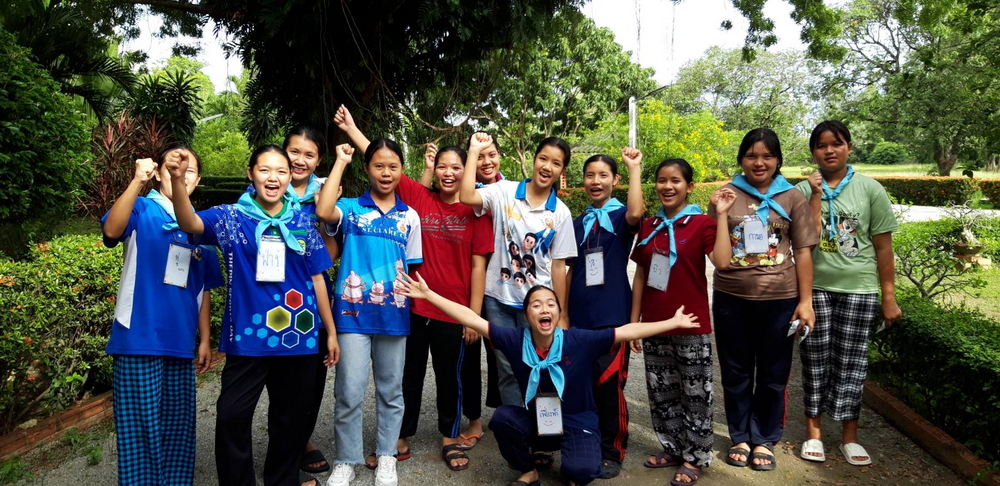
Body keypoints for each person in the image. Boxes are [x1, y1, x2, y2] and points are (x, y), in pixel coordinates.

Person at [396, 273, 699, 485]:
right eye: (536, 304)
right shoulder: (515, 339)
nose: (544, 309)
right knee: (502, 418)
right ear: (527, 314)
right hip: (539, 420)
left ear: (558, 312)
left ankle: (574, 458)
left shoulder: (577, 340)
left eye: (550, 304)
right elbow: (471, 318)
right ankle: (529, 470)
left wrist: (672, 322)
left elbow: (625, 332)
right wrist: (429, 295)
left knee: (580, 472)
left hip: (579, 420)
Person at [168, 145, 341, 486]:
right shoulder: (230, 217)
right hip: (247, 340)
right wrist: (177, 180)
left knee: (290, 419)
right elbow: (189, 221)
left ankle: (282, 480)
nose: (272, 178)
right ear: (251, 174)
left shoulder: (303, 221)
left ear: (290, 177)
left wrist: (331, 332)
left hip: (299, 336)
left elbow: (318, 278)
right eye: (264, 170)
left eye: (280, 171)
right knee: (231, 415)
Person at [100, 145, 224, 486]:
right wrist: (135, 182)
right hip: (138, 338)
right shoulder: (141, 209)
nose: (181, 174)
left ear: (197, 180)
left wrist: (205, 340)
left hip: (180, 345)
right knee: (139, 430)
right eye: (174, 166)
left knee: (177, 430)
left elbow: (205, 289)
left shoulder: (201, 229)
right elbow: (111, 230)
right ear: (158, 172)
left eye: (189, 170)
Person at [315, 139, 423, 486]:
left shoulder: (410, 216)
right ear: (367, 169)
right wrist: (340, 161)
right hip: (351, 315)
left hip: (393, 315)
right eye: (378, 165)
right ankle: (346, 459)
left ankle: (387, 454)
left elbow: (414, 268)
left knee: (392, 391)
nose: (386, 172)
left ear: (401, 169)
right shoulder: (350, 208)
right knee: (348, 390)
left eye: (393, 166)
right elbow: (323, 210)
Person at [709, 128, 818, 472]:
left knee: (774, 372)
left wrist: (806, 301)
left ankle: (765, 438)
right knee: (735, 370)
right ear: (741, 159)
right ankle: (740, 435)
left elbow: (802, 252)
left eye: (767, 156)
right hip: (732, 297)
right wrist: (721, 211)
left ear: (777, 160)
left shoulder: (793, 198)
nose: (759, 162)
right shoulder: (724, 195)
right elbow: (715, 252)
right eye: (752, 155)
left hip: (780, 299)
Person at [795, 121, 901, 466]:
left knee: (852, 363)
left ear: (849, 148)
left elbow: (884, 249)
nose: (829, 150)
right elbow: (802, 240)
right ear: (813, 151)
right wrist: (813, 194)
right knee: (814, 360)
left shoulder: (871, 190)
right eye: (822, 145)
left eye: (837, 143)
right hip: (816, 289)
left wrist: (889, 297)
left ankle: (849, 437)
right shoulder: (801, 189)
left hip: (860, 288)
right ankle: (814, 433)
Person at [629, 158, 732, 486]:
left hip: (690, 324)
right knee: (662, 392)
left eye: (675, 181)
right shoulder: (649, 226)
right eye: (661, 180)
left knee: (695, 393)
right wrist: (634, 323)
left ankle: (696, 456)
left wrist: (723, 215)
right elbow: (641, 276)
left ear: (689, 187)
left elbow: (724, 262)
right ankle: (674, 447)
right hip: (654, 325)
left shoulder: (701, 223)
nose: (667, 186)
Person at [460, 132, 578, 408]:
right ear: (533, 160)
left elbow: (559, 267)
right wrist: (475, 150)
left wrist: (560, 313)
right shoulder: (504, 191)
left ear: (562, 171)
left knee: (539, 364)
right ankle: (516, 428)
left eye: (556, 163)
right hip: (498, 298)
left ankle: (541, 432)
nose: (547, 167)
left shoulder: (560, 213)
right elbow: (466, 195)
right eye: (543, 158)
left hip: (538, 304)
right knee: (507, 368)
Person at [563, 149, 643, 479]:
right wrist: (563, 312)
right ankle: (587, 439)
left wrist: (635, 168)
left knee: (610, 386)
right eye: (590, 175)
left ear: (615, 181)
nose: (596, 181)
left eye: (603, 175)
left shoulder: (622, 217)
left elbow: (638, 212)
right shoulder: (577, 222)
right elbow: (568, 270)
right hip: (579, 318)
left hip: (612, 317)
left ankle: (613, 448)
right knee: (582, 385)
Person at [281, 126, 341, 475]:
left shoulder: (324, 196)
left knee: (312, 380)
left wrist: (324, 214)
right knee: (282, 379)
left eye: (309, 155)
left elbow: (329, 255)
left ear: (319, 161)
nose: (300, 160)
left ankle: (301, 438)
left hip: (313, 299)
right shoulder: (264, 187)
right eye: (295, 151)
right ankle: (288, 449)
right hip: (274, 299)